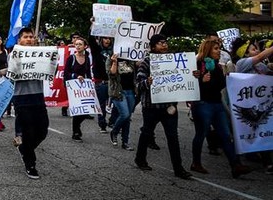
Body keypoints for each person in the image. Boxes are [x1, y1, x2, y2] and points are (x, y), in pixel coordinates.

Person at [190, 39, 252, 178]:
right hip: (203, 104)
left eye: (219, 48)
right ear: (208, 50)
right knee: (201, 134)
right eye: (216, 48)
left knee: (226, 135)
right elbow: (189, 86)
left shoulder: (218, 67)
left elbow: (220, 86)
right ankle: (196, 163)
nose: (219, 51)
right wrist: (201, 81)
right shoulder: (197, 65)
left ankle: (235, 165)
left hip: (217, 105)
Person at [134, 34, 193, 179]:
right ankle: (140, 159)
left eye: (166, 42)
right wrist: (148, 82)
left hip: (169, 107)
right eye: (161, 43)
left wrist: (194, 75)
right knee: (147, 133)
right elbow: (138, 85)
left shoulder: (174, 61)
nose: (165, 45)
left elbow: (184, 77)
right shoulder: (146, 63)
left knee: (173, 137)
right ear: (153, 47)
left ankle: (178, 169)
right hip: (151, 107)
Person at [230, 37, 273, 175]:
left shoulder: (260, 66)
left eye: (256, 48)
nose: (257, 51)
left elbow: (268, 72)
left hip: (262, 105)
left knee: (264, 131)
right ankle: (262, 162)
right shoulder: (242, 63)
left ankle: (265, 160)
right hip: (248, 107)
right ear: (245, 53)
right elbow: (261, 56)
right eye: (253, 49)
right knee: (253, 131)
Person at [10, 27, 48, 179]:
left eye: (31, 37)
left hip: (38, 96)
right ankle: (30, 164)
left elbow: (50, 70)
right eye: (26, 37)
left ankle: (24, 148)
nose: (29, 39)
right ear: (19, 40)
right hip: (22, 98)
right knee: (29, 132)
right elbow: (12, 74)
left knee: (42, 131)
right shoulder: (14, 54)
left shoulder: (41, 54)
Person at [107, 45, 136, 151]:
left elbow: (138, 66)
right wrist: (114, 62)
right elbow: (112, 74)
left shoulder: (131, 58)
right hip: (118, 92)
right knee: (125, 114)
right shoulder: (112, 57)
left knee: (127, 118)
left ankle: (125, 142)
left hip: (131, 91)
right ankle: (114, 131)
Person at [64, 36, 93, 142]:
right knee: (77, 110)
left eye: (80, 44)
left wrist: (90, 84)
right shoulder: (71, 58)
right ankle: (75, 132)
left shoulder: (87, 58)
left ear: (85, 46)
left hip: (83, 87)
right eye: (76, 44)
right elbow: (66, 73)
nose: (78, 46)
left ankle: (77, 127)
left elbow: (88, 73)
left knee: (85, 111)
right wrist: (76, 76)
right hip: (73, 87)